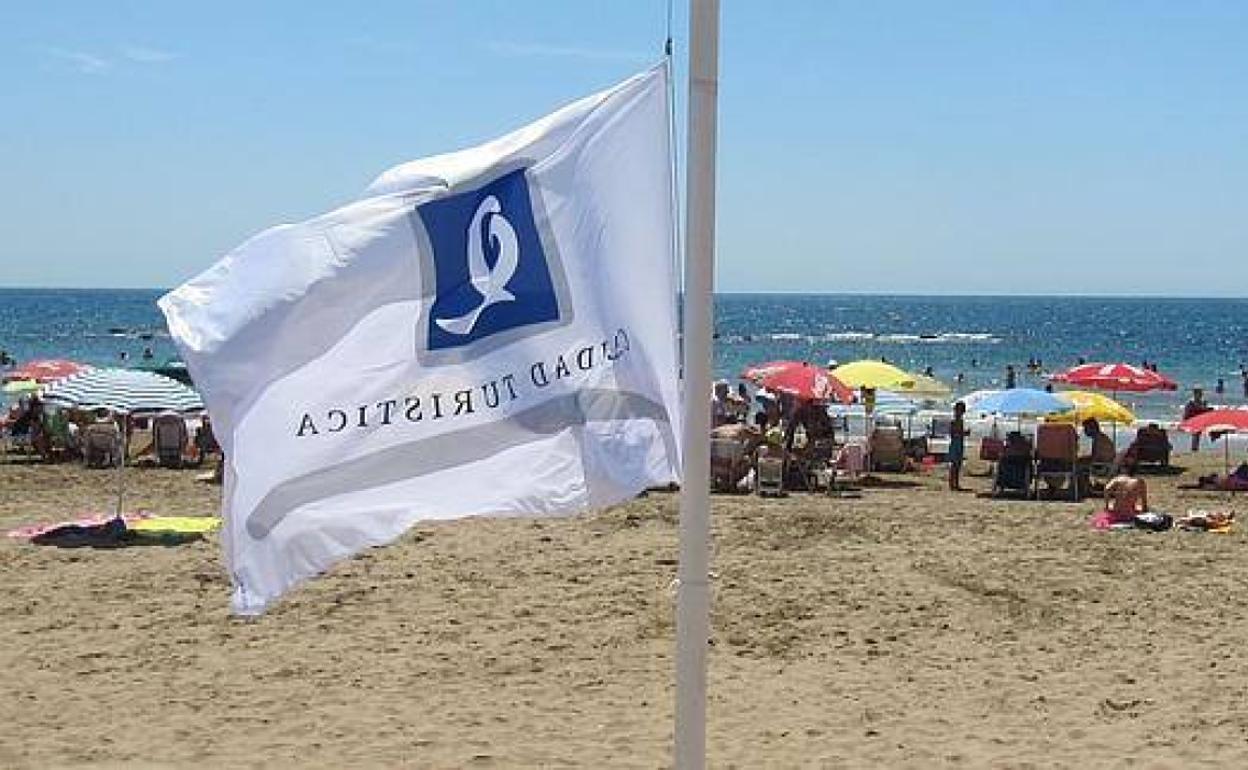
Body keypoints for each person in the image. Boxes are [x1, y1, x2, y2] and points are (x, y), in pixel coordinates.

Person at [947, 401, 969, 491]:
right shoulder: (955, 421)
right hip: (956, 443)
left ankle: (954, 483)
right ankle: (953, 484)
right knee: (955, 464)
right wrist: (963, 433)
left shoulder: (959, 421)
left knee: (957, 464)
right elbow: (953, 434)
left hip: (958, 443)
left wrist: (963, 433)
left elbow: (955, 433)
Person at [1183, 387, 1212, 451]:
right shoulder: (1191, 402)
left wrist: (1206, 408)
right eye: (1199, 393)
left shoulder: (1202, 402)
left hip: (1200, 420)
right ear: (1195, 394)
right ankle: (1194, 448)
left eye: (1201, 393)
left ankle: (1195, 447)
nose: (1201, 394)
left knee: (1197, 434)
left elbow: (1204, 410)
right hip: (1193, 420)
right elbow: (1187, 412)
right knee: (1195, 434)